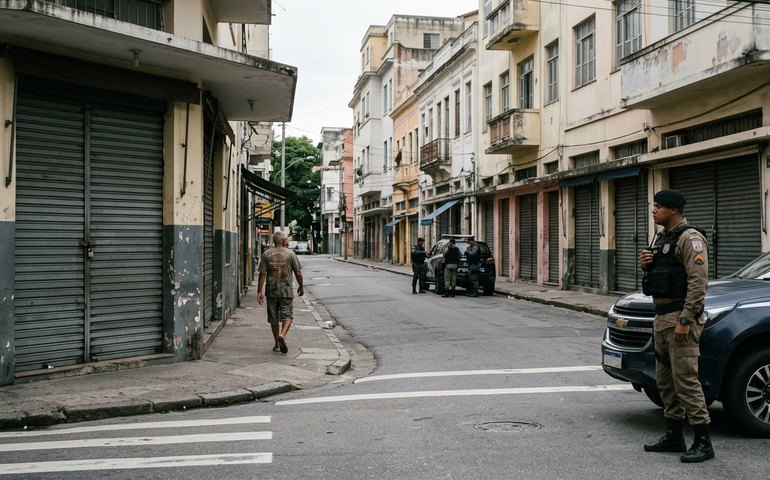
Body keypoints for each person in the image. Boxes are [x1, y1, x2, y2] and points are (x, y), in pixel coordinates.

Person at [639, 189, 714, 463]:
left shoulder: (690, 238)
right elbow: (660, 279)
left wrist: (685, 319)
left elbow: (698, 283)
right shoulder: (663, 239)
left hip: (680, 319)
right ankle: (674, 435)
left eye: (658, 206)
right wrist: (647, 265)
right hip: (661, 319)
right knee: (665, 382)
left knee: (686, 381)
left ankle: (703, 442)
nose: (654, 210)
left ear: (673, 210)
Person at [257, 231, 304, 354]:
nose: (288, 242)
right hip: (286, 290)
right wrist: (301, 286)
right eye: (287, 240)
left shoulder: (266, 254)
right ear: (283, 241)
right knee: (287, 316)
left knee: (273, 318)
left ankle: (277, 345)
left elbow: (262, 273)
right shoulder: (290, 254)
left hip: (271, 291)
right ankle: (282, 335)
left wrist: (259, 291)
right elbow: (298, 273)